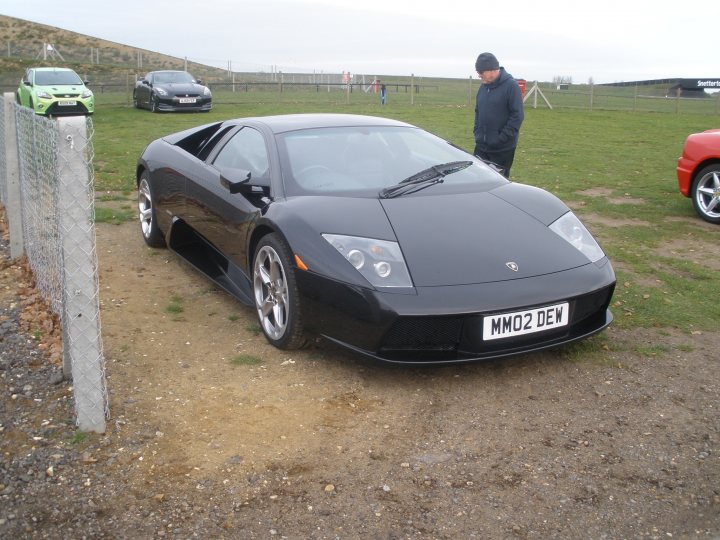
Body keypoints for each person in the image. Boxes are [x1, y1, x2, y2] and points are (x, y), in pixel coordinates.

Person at [473, 52, 524, 178]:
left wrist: (501, 138)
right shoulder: (483, 87)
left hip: (502, 149)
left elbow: (517, 116)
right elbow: (478, 111)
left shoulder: (511, 86)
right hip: (481, 146)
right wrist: (477, 132)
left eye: (481, 72)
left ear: (491, 70)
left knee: (497, 184)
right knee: (476, 180)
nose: (479, 75)